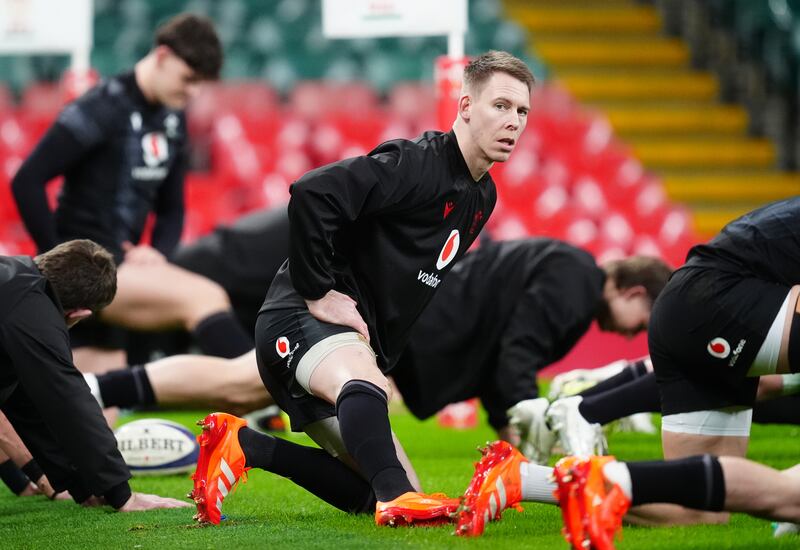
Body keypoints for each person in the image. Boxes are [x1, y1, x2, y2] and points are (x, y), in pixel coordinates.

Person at [188, 50, 536, 526]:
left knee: (373, 489)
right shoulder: (417, 164)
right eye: (501, 106)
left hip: (339, 348)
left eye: (522, 112)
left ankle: (247, 446)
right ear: (466, 107)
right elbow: (313, 192)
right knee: (394, 487)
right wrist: (316, 291)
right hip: (301, 320)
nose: (513, 121)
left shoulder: (482, 195)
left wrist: (380, 357)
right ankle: (394, 494)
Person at [84, 210, 671, 445]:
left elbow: (502, 353)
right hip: (409, 328)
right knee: (248, 380)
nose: (630, 334)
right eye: (641, 320)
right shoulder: (574, 280)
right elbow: (516, 350)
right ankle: (98, 389)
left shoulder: (565, 267)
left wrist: (510, 428)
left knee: (250, 380)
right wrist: (529, 420)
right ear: (634, 291)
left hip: (411, 325)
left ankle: (102, 390)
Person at [452, 196, 800, 535]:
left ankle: (530, 480)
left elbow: (767, 378)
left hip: (688, 305)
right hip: (710, 302)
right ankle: (582, 410)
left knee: (700, 511)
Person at [10, 14, 250, 413]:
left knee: (91, 421)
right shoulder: (103, 107)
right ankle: (271, 399)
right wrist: (60, 266)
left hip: (119, 269)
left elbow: (173, 207)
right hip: (94, 264)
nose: (193, 92)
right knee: (206, 297)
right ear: (162, 55)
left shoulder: (172, 117)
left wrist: (158, 250)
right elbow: (27, 181)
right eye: (188, 78)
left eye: (200, 84)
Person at [0, 239, 188, 511]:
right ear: (80, 314)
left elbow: (25, 401)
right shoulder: (32, 310)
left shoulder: (14, 281)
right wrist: (122, 494)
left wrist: (82, 484)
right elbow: (67, 400)